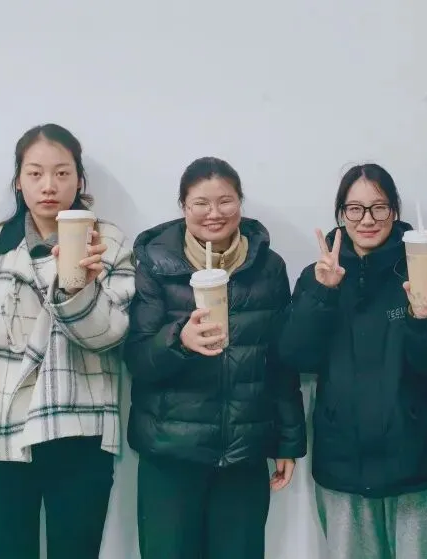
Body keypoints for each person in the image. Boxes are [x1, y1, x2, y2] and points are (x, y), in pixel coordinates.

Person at [0, 124, 135, 559]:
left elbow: (110, 335)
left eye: (62, 173)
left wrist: (78, 288)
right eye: (35, 173)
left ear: (79, 180)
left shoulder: (107, 242)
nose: (49, 186)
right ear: (18, 181)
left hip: (79, 428)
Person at [125, 156, 306, 559]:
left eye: (225, 201)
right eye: (200, 203)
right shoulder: (156, 264)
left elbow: (281, 361)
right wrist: (179, 340)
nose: (214, 213)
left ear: (240, 202)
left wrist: (288, 442)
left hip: (244, 452)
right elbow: (137, 357)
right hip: (171, 453)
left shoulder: (267, 267)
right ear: (183, 206)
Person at [279, 163, 427, 559]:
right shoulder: (319, 275)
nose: (368, 220)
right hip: (343, 462)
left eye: (379, 207)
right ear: (341, 213)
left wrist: (423, 318)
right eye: (355, 209)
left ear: (395, 210)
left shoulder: (424, 268)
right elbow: (295, 356)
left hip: (418, 463)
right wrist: (323, 294)